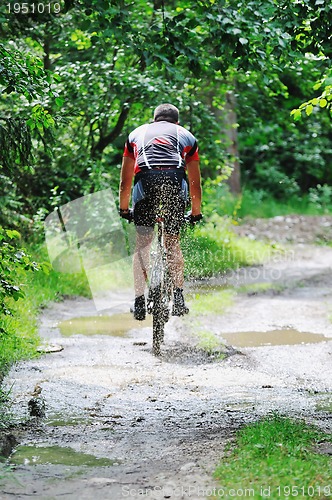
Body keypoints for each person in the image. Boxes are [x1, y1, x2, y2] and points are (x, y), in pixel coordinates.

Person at [119, 103, 202, 320]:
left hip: (145, 183)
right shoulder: (186, 135)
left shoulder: (136, 134)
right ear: (177, 122)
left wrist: (124, 208)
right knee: (172, 242)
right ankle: (179, 297)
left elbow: (125, 180)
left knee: (142, 244)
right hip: (175, 183)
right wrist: (196, 212)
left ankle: (138, 301)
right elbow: (195, 182)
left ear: (154, 119)